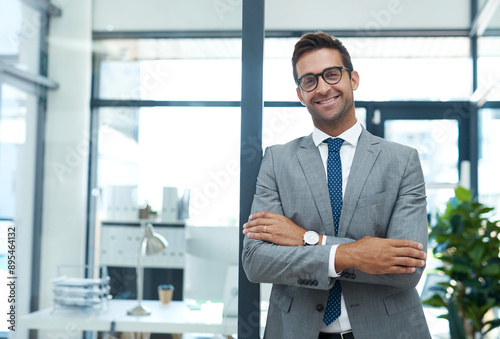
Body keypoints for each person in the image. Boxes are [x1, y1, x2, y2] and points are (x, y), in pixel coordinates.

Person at [242, 31, 431, 339]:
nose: (323, 88)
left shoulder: (402, 161)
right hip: (295, 330)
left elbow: (406, 269)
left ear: (352, 79)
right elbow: (256, 261)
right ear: (300, 94)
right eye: (309, 81)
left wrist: (308, 239)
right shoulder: (277, 160)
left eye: (331, 74)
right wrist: (357, 253)